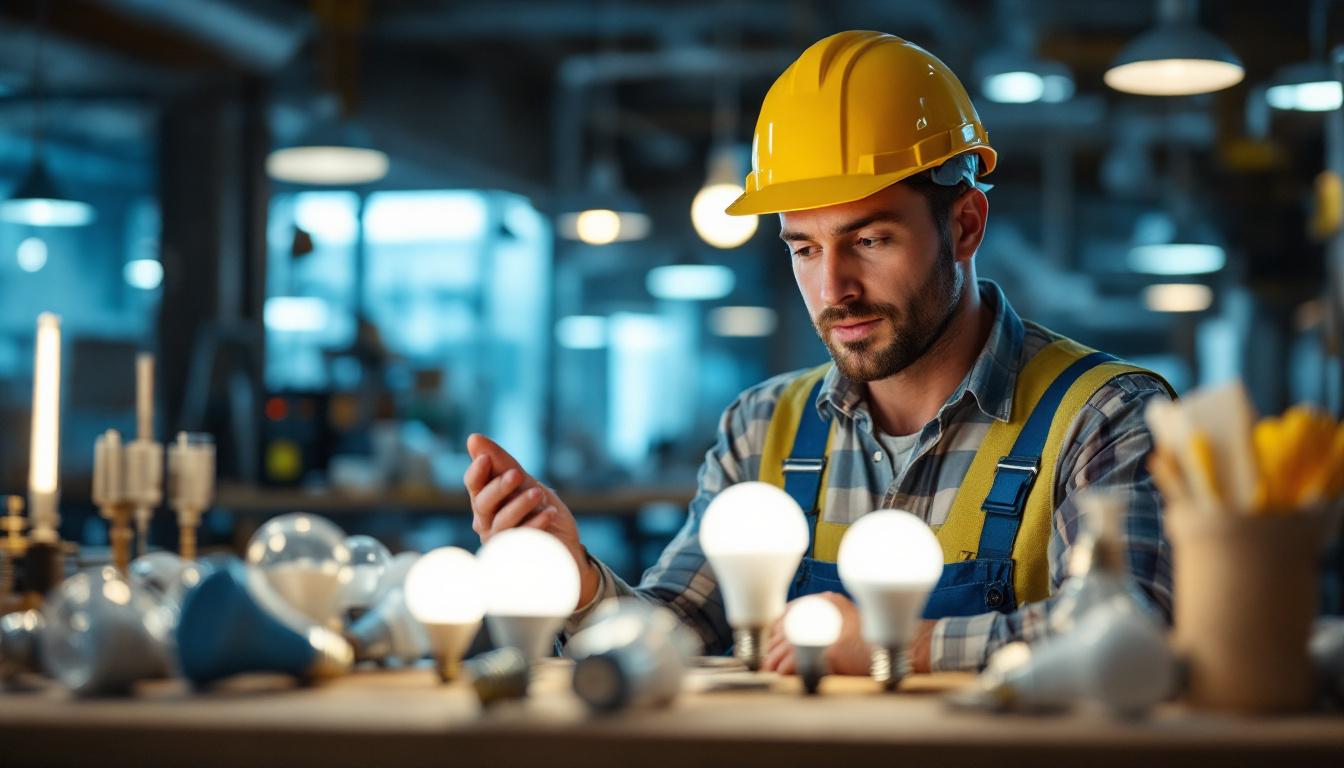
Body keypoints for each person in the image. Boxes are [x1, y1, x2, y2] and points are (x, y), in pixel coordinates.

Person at [464, 30, 1173, 675]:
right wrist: (579, 584)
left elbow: (1136, 633)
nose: (835, 289)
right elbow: (676, 636)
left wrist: (900, 644)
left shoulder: (1104, 418)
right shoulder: (762, 428)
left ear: (964, 225)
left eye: (869, 240)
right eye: (804, 249)